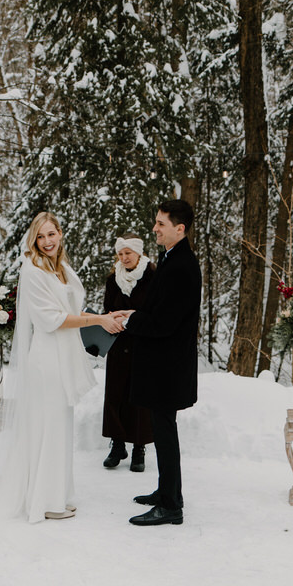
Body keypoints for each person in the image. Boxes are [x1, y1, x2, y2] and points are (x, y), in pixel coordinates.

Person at [0, 211, 123, 522]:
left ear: (60, 234)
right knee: (47, 427)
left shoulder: (60, 267)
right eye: (41, 236)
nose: (47, 241)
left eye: (52, 234)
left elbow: (72, 308)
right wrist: (98, 320)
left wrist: (106, 318)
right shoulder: (33, 271)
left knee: (60, 425)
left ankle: (58, 493)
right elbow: (52, 320)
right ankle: (44, 502)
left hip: (64, 355)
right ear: (34, 241)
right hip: (46, 359)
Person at [115, 199, 201, 527]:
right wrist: (135, 314)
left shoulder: (182, 266)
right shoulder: (171, 258)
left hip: (168, 367)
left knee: (164, 432)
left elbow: (164, 324)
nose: (155, 229)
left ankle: (171, 505)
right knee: (162, 430)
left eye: (161, 224)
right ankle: (166, 492)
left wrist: (130, 322)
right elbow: (159, 310)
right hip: (163, 365)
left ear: (180, 229)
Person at [101, 233, 156, 472]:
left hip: (143, 345)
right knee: (115, 394)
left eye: (128, 253)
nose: (124, 258)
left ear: (139, 253)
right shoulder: (113, 279)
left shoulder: (153, 276)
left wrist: (133, 315)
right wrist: (112, 318)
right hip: (118, 343)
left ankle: (139, 448)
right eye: (120, 254)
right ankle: (117, 445)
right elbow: (106, 309)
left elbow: (156, 310)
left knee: (140, 396)